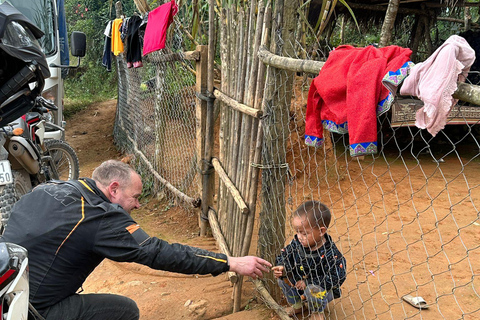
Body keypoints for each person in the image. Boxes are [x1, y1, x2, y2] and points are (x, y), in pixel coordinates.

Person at [1, 160, 271, 320]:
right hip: (35, 311)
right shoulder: (100, 217)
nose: (138, 205)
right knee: (124, 310)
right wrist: (229, 262)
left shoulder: (50, 188)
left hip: (7, 294)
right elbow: (157, 253)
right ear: (114, 189)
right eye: (136, 197)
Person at [272, 201, 346, 320]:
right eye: (297, 232)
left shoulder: (331, 254)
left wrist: (308, 282)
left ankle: (317, 312)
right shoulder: (297, 242)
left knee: (313, 290)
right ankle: (298, 306)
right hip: (299, 284)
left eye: (304, 233)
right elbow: (285, 254)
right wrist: (282, 266)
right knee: (282, 279)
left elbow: (337, 277)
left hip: (322, 290)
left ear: (321, 231)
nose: (299, 236)